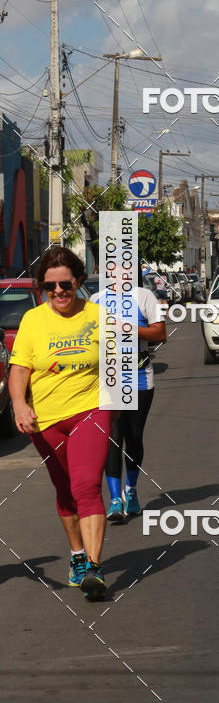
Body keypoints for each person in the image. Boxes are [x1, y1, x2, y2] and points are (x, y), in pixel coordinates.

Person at [8, 247, 111, 599]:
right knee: (65, 490)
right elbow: (19, 368)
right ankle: (78, 554)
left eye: (65, 284)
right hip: (45, 420)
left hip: (91, 410)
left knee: (86, 486)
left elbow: (123, 362)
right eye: (49, 287)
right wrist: (20, 405)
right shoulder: (33, 321)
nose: (58, 292)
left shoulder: (100, 316)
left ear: (79, 280)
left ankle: (95, 570)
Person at [91, 265, 166, 522]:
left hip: (139, 377)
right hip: (108, 379)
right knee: (113, 436)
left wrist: (130, 328)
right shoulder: (96, 300)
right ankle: (114, 500)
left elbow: (160, 333)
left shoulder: (144, 296)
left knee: (133, 436)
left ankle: (131, 492)